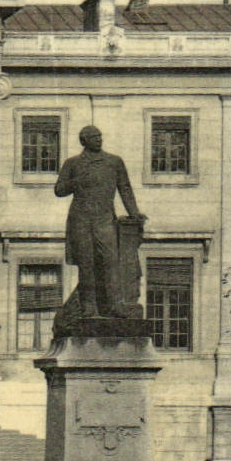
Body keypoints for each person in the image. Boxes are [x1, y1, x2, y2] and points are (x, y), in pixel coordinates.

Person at [55, 125, 144, 318]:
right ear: (84, 141)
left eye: (100, 136)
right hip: (81, 218)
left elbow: (125, 188)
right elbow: (59, 190)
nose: (99, 139)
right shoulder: (73, 163)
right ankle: (89, 306)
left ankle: (115, 304)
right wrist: (76, 181)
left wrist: (134, 213)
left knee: (111, 261)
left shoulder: (114, 162)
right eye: (94, 137)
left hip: (105, 218)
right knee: (86, 262)